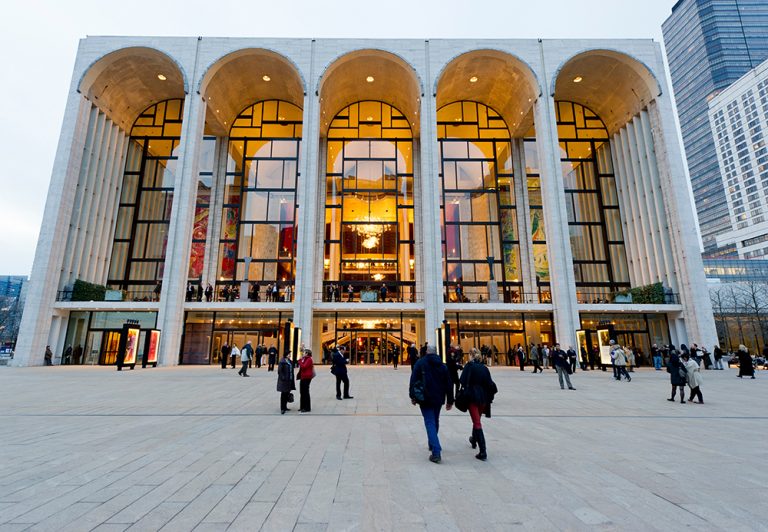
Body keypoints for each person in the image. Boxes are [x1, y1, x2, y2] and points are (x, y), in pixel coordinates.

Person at [410, 345, 454, 464]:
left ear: (427, 352)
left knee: (430, 422)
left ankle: (436, 451)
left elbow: (413, 380)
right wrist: (450, 400)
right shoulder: (442, 365)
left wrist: (412, 396)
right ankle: (432, 442)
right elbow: (449, 383)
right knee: (435, 420)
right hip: (438, 398)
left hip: (425, 397)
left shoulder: (420, 363)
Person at [459, 347, 497, 461]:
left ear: (470, 355)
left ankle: (483, 451)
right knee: (477, 419)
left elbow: (462, 380)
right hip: (483, 397)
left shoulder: (469, 366)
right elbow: (489, 383)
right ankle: (474, 440)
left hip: (472, 397)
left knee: (477, 422)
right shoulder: (484, 368)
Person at [297, 348, 315, 412]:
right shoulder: (304, 359)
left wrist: (299, 361)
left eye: (304, 352)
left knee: (305, 392)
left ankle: (307, 408)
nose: (303, 353)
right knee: (302, 392)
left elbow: (304, 367)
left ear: (307, 353)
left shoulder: (309, 359)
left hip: (306, 378)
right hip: (303, 377)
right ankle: (302, 406)